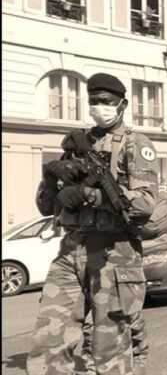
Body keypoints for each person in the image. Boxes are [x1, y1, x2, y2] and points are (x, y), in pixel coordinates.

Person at [27, 73, 158, 375]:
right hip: (70, 250)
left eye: (106, 101)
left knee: (108, 343)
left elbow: (145, 203)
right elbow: (46, 206)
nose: (99, 107)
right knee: (49, 338)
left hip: (115, 252)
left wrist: (91, 195)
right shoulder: (77, 143)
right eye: (94, 101)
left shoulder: (135, 144)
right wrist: (52, 180)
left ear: (122, 104)